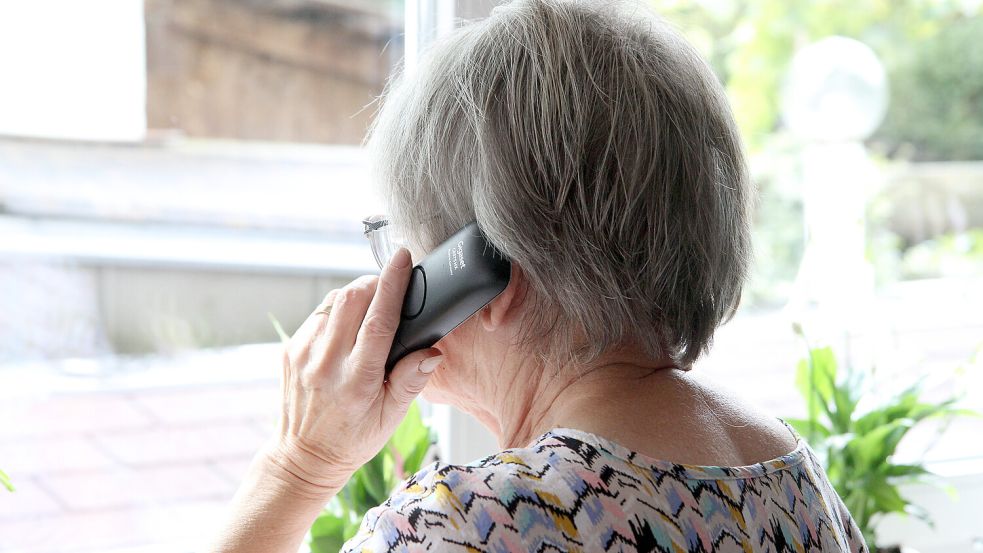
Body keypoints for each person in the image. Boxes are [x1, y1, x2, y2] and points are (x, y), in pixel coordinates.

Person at [210, 0, 867, 551]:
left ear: (485, 271)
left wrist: (297, 465)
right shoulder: (795, 479)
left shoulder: (464, 529)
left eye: (408, 243)